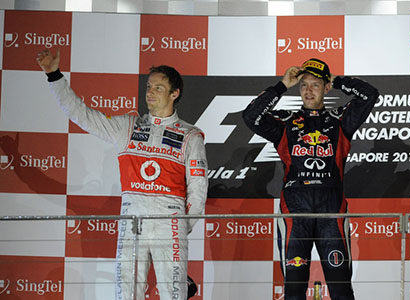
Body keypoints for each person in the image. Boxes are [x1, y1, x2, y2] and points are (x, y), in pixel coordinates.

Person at [36, 49, 208, 300]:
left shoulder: (190, 135)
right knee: (126, 294)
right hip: (132, 218)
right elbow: (81, 114)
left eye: (158, 88)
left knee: (174, 294)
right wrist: (54, 76)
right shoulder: (127, 126)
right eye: (149, 86)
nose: (150, 92)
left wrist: (181, 227)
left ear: (174, 93)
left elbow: (198, 189)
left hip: (170, 220)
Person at [242, 58, 379, 300]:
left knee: (342, 291)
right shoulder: (285, 122)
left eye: (315, 85)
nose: (308, 90)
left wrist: (337, 80)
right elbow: (251, 116)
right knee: (293, 293)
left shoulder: (341, 119)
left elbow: (369, 95)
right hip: (295, 211)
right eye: (303, 84)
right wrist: (282, 85)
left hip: (332, 210)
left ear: (326, 88)